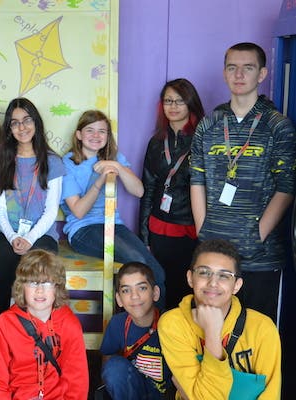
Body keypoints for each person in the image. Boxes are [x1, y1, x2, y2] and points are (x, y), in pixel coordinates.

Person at [190, 42, 296, 323]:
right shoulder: (209, 124)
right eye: (232, 67)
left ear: (262, 74)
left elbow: (287, 187)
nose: (239, 75)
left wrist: (257, 235)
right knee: (212, 332)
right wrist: (203, 230)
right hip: (213, 255)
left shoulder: (277, 126)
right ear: (224, 73)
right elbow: (197, 179)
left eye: (247, 68)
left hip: (260, 258)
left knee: (256, 336)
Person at [61, 110, 166, 306]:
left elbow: (138, 191)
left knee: (157, 272)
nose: (96, 135)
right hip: (83, 230)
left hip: (114, 225)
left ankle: (159, 322)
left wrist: (115, 165)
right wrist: (100, 179)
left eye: (102, 131)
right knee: (137, 260)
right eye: (90, 130)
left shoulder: (114, 157)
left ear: (108, 136)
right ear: (79, 135)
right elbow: (79, 211)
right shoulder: (67, 163)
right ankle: (136, 318)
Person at [158, 239, 281, 399]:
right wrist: (212, 333)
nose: (213, 283)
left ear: (236, 285)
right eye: (204, 272)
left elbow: (271, 394)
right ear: (190, 278)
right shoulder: (173, 324)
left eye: (224, 276)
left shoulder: (262, 328)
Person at [0, 97, 66, 323]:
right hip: (7, 234)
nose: (21, 127)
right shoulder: (0, 160)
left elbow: (51, 210)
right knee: (3, 265)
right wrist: (13, 237)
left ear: (36, 123)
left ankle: (39, 330)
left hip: (41, 235)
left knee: (39, 271)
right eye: (15, 123)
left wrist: (30, 238)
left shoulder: (52, 162)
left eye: (27, 120)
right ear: (9, 128)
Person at [0, 249, 89, 399]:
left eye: (47, 283)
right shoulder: (5, 324)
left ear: (57, 288)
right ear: (21, 286)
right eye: (33, 282)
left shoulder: (69, 323)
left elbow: (77, 379)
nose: (40, 290)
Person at [140, 79, 205, 309]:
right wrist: (144, 238)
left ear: (191, 104)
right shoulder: (156, 142)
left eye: (179, 101)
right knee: (161, 289)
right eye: (168, 101)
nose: (173, 106)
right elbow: (148, 189)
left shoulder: (203, 140)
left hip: (191, 231)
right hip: (159, 230)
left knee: (187, 292)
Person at [100, 262, 171, 399]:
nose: (134, 296)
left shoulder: (171, 323)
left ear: (155, 293)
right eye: (126, 290)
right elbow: (107, 367)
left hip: (166, 394)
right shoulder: (117, 323)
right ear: (119, 299)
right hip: (133, 391)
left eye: (142, 288)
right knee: (114, 367)